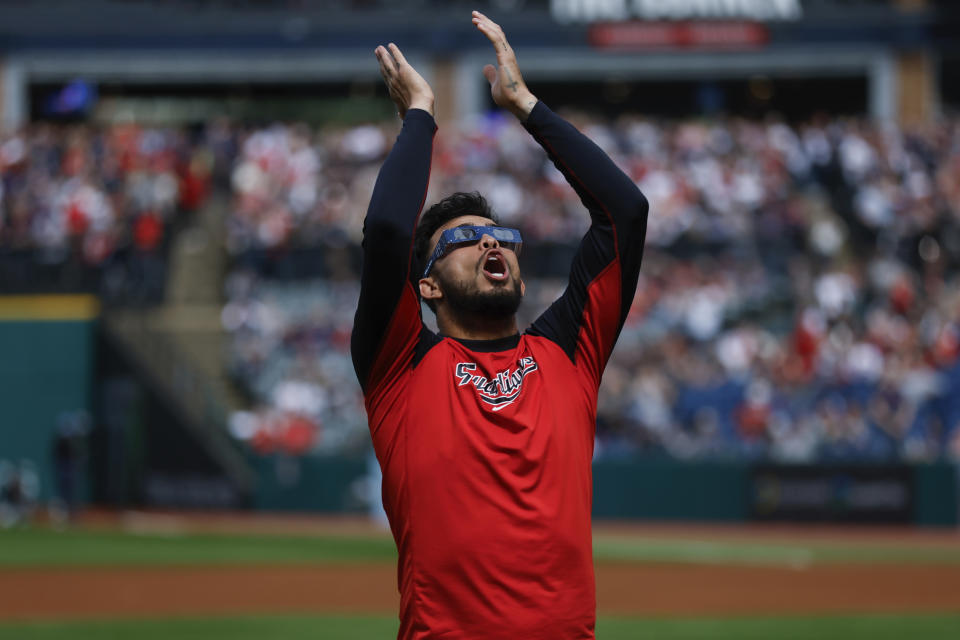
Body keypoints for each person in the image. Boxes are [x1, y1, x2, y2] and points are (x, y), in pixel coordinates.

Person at [351, 11, 649, 639]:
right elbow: (385, 233)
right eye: (465, 238)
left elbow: (625, 210)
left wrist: (525, 105)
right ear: (426, 284)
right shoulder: (398, 363)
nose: (493, 244)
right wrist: (421, 113)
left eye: (501, 236)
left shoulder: (570, 351)